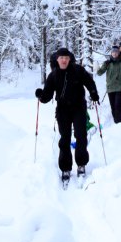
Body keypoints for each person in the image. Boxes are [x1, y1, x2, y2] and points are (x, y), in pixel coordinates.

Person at [35, 47, 99, 184]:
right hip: (63, 109)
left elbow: (89, 81)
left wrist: (93, 92)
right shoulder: (53, 75)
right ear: (57, 60)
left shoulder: (78, 70)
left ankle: (81, 164)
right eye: (61, 58)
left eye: (66, 58)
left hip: (79, 108)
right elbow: (47, 95)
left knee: (81, 135)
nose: (64, 60)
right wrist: (41, 96)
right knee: (65, 139)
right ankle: (65, 168)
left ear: (69, 59)